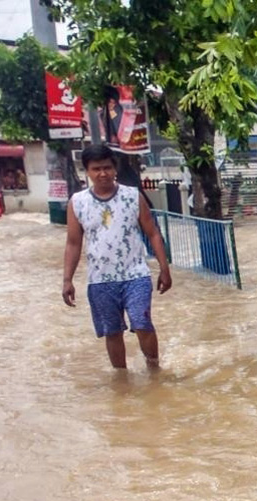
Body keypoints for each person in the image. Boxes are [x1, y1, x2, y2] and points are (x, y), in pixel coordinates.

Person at [62, 144, 173, 369]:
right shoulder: (77, 202)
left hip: (136, 275)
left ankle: (154, 369)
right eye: (96, 169)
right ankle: (122, 379)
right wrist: (67, 280)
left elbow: (152, 232)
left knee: (142, 323)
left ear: (115, 169)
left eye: (107, 168)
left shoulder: (133, 196)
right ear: (87, 171)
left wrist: (164, 268)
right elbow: (73, 243)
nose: (102, 173)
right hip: (100, 280)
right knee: (112, 331)